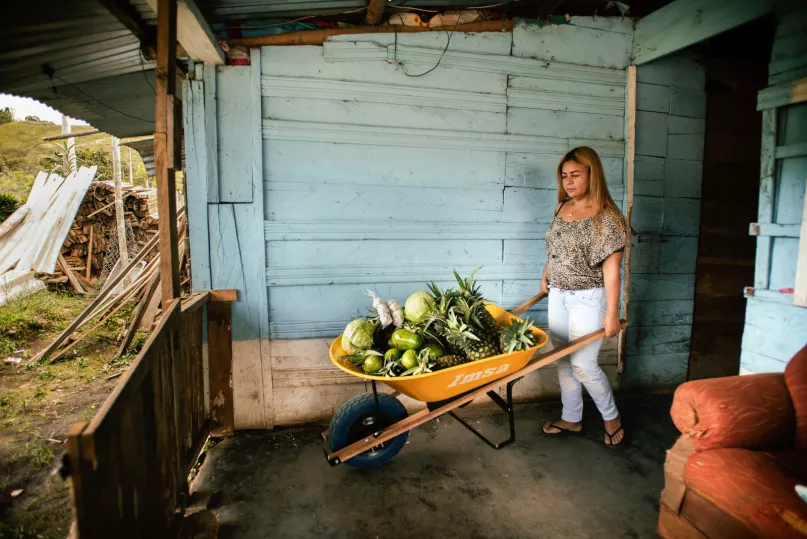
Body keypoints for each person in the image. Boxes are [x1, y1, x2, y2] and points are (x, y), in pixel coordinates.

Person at [539, 146, 627, 448]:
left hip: (589, 297)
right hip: (558, 295)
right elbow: (556, 247)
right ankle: (572, 418)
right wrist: (546, 274)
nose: (568, 181)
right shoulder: (561, 208)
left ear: (593, 174)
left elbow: (612, 271)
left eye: (576, 175)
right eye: (564, 176)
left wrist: (612, 311)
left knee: (583, 365)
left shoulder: (609, 218)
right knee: (563, 360)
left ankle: (611, 417)